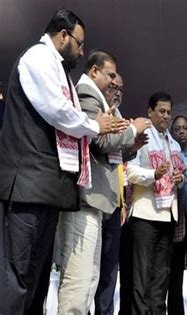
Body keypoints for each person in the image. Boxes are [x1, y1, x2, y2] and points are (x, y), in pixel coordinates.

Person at [0, 10, 126, 314]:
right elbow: (56, 110)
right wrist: (96, 125)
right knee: (17, 276)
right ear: (63, 35)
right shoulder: (38, 58)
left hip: (48, 189)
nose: (81, 52)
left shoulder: (60, 71)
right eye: (79, 44)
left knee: (36, 277)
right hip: (27, 186)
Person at [57, 50, 150, 314]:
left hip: (97, 202)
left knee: (90, 279)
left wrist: (130, 145)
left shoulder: (99, 101)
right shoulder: (87, 96)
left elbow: (106, 150)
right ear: (94, 71)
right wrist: (134, 128)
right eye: (110, 75)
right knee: (79, 280)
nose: (113, 82)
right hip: (85, 199)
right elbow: (98, 138)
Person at [93, 72, 149, 314]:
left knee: (109, 272)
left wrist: (131, 149)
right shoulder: (99, 114)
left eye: (121, 89)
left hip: (115, 203)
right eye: (113, 86)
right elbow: (101, 145)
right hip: (94, 200)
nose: (117, 92)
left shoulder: (117, 117)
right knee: (90, 271)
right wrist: (132, 132)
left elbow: (116, 160)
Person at [127, 92, 186, 314]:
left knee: (162, 275)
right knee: (142, 274)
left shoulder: (173, 143)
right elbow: (129, 170)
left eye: (169, 112)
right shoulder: (140, 137)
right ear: (150, 112)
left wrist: (180, 179)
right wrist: (154, 174)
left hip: (167, 214)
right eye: (161, 111)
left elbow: (180, 175)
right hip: (145, 214)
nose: (166, 116)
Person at [168, 115, 187, 315]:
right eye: (177, 128)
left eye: (185, 128)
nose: (181, 131)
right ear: (172, 131)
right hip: (175, 219)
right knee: (174, 270)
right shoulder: (168, 152)